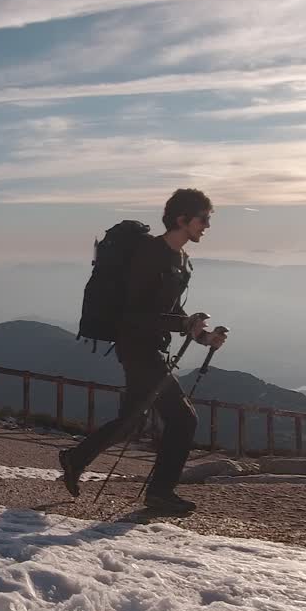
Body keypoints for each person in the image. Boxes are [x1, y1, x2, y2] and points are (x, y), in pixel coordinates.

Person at [59, 188, 228, 513]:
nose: (206, 226)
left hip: (152, 347)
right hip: (137, 348)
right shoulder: (150, 254)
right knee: (183, 419)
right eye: (203, 219)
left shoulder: (181, 260)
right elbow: (134, 313)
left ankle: (75, 458)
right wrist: (184, 325)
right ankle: (160, 494)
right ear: (182, 219)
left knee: (131, 421)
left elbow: (173, 311)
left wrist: (202, 336)